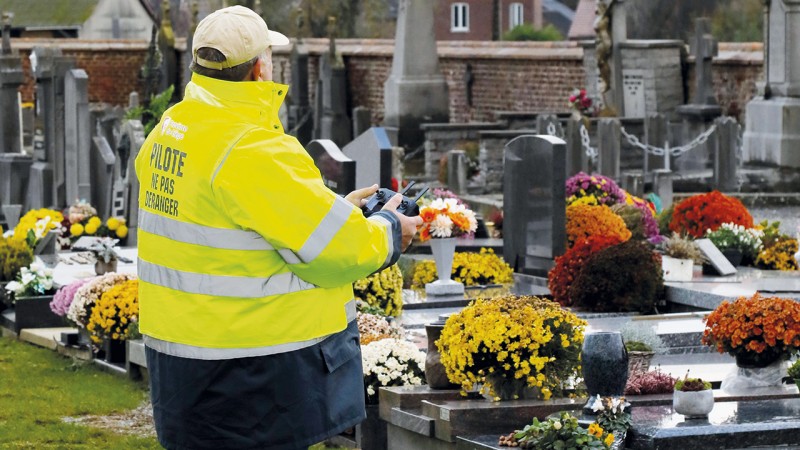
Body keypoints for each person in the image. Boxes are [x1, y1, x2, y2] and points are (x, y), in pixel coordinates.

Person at [134, 6, 421, 449]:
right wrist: (389, 228)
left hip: (183, 364)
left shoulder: (171, 131)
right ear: (260, 68)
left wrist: (334, 210)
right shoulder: (253, 147)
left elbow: (228, 227)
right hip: (251, 377)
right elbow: (338, 252)